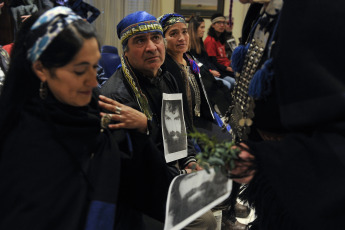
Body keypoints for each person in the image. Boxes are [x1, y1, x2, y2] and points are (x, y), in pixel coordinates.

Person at [228, 0, 345, 229]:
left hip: (308, 181)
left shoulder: (322, 9)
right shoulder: (261, 11)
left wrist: (265, 158)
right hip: (275, 160)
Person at [0, 7, 120, 229]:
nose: (93, 81)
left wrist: (144, 127)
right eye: (79, 71)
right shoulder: (24, 142)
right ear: (41, 69)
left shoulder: (96, 112)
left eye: (95, 67)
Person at [100, 11, 215, 229]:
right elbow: (137, 167)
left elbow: (178, 130)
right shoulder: (117, 96)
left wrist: (190, 160)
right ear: (125, 51)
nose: (152, 47)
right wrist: (182, 176)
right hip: (138, 191)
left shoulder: (165, 77)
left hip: (167, 172)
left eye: (155, 37)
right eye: (140, 41)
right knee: (205, 221)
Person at [159, 13, 232, 143]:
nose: (181, 38)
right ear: (162, 39)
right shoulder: (163, 69)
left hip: (202, 118)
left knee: (231, 139)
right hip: (184, 127)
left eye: (184, 32)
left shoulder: (190, 60)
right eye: (173, 34)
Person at [187, 15, 235, 89]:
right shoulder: (193, 45)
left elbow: (207, 61)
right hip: (202, 74)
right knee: (228, 84)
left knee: (232, 81)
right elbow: (197, 64)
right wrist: (211, 72)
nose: (204, 30)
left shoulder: (200, 42)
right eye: (201, 27)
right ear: (194, 29)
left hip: (211, 70)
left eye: (204, 27)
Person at [204, 13, 235, 81]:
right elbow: (212, 62)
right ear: (213, 25)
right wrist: (227, 68)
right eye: (218, 23)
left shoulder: (220, 39)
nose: (222, 25)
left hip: (227, 66)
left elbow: (223, 58)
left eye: (223, 23)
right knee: (234, 81)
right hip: (219, 70)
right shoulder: (210, 40)